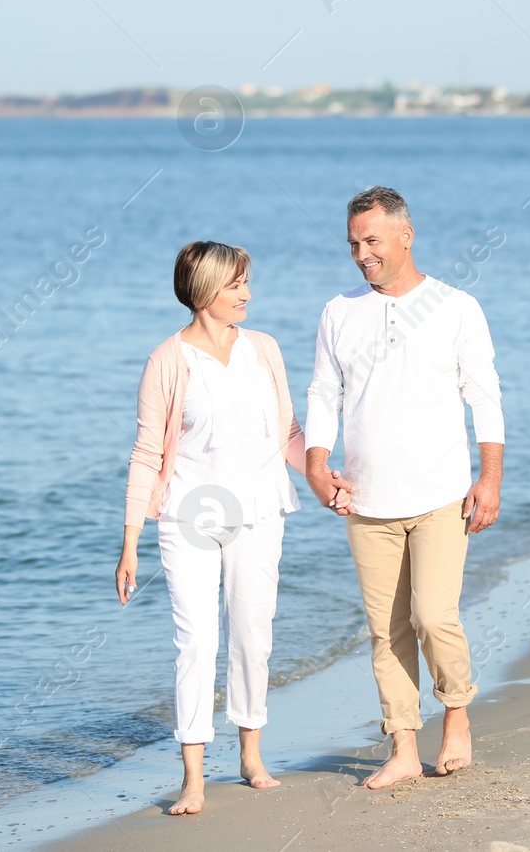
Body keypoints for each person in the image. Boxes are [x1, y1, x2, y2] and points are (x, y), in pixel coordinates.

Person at [114, 241, 331, 815]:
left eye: (245, 283)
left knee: (252, 633)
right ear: (206, 290)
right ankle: (192, 778)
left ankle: (251, 755)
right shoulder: (168, 360)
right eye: (236, 285)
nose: (247, 294)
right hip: (188, 514)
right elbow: (144, 452)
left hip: (260, 509)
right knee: (196, 643)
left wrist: (324, 477)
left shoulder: (263, 349)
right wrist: (130, 541)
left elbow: (288, 430)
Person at [304, 186, 505, 788]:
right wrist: (317, 464)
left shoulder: (456, 306)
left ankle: (458, 717)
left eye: (371, 240)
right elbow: (322, 394)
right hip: (366, 499)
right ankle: (401, 746)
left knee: (433, 615)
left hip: (441, 493)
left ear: (404, 236)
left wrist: (489, 478)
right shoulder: (338, 312)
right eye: (352, 244)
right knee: (386, 630)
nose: (361, 254)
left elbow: (485, 396)